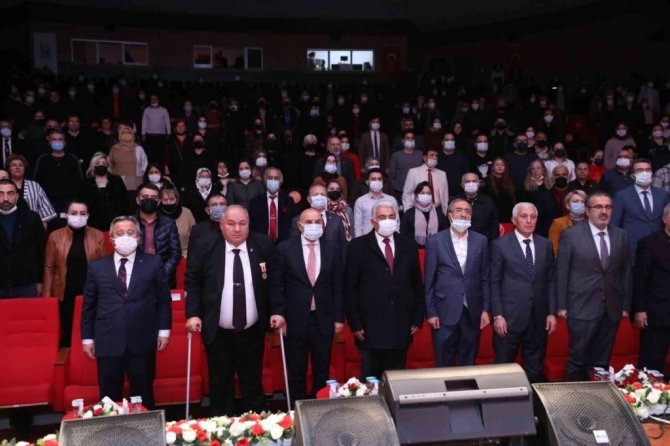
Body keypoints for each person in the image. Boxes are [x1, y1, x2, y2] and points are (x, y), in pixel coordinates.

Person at [185, 205, 284, 415]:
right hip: (218, 333)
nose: (237, 229)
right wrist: (193, 314)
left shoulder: (263, 244)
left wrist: (277, 310)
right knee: (220, 386)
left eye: (242, 223)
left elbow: (275, 281)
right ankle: (221, 428)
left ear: (249, 224)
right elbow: (192, 282)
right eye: (231, 224)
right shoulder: (206, 246)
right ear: (221, 225)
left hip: (252, 332)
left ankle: (257, 428)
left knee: (253, 384)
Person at [81, 215, 172, 408]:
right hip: (108, 341)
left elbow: (163, 300)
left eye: (130, 233)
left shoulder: (154, 263)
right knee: (108, 400)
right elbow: (89, 306)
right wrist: (87, 339)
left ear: (138, 237)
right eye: (120, 233)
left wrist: (164, 331)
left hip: (142, 340)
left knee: (143, 396)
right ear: (111, 238)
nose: (125, 237)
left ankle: (145, 428)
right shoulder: (96, 267)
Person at [345, 200, 424, 379]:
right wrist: (355, 323)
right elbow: (350, 288)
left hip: (401, 326)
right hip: (369, 329)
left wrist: (417, 318)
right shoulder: (358, 246)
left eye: (391, 216)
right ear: (373, 221)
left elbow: (417, 284)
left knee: (396, 382)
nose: (387, 220)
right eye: (382, 217)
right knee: (371, 383)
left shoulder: (408, 244)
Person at [557, 192, 632, 380]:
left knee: (601, 362)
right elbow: (561, 272)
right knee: (577, 360)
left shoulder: (621, 235)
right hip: (581, 306)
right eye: (598, 207)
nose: (604, 211)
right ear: (587, 210)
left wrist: (625, 305)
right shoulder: (571, 235)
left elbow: (626, 273)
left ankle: (598, 398)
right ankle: (574, 398)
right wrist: (561, 305)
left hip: (611, 308)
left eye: (608, 207)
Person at [272, 208, 343, 400]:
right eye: (309, 222)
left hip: (323, 319)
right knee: (296, 371)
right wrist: (280, 314)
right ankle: (297, 409)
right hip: (294, 320)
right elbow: (277, 285)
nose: (314, 225)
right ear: (300, 226)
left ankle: (319, 411)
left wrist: (338, 318)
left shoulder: (333, 249)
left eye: (317, 222)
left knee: (322, 371)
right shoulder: (285, 249)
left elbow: (338, 285)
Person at [490, 202, 557, 382]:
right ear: (514, 220)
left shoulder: (545, 244)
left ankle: (531, 400)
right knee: (503, 368)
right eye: (524, 216)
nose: (529, 221)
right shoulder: (500, 245)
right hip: (509, 317)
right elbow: (494, 282)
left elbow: (551, 280)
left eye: (533, 217)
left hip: (538, 317)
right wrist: (497, 315)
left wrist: (551, 312)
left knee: (535, 369)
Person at [424, 198, 489, 366]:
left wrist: (485, 310)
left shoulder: (481, 240)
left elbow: (485, 277)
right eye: (459, 210)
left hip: (472, 310)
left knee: (468, 361)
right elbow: (429, 281)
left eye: (467, 211)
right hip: (444, 311)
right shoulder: (435, 241)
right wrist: (431, 312)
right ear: (450, 215)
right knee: (444, 362)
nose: (463, 214)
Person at [43, 201, 106, 346]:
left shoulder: (97, 235)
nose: (78, 217)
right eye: (74, 213)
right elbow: (49, 268)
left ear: (88, 216)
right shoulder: (55, 236)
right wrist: (47, 296)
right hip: (64, 295)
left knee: (90, 334)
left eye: (82, 214)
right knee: (68, 335)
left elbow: (104, 268)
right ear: (66, 215)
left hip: (90, 295)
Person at [634, 203, 670, 372]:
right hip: (657, 314)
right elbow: (640, 279)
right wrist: (639, 309)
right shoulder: (649, 243)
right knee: (651, 365)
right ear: (664, 219)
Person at [612, 158, 670, 257]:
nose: (644, 173)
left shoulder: (663, 195)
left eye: (648, 170)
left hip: (660, 248)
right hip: (633, 247)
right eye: (640, 170)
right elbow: (615, 225)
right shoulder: (622, 196)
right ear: (632, 175)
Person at [0, 179, 46, 298]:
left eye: (10, 193)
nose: (5, 198)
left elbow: (42, 251)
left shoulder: (31, 218)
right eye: (1, 194)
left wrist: (40, 281)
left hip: (27, 285)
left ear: (17, 196)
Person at [135, 183, 181, 279]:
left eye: (153, 197)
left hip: (163, 277)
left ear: (159, 201)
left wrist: (162, 273)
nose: (149, 200)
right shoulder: (129, 223)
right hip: (136, 277)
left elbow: (175, 253)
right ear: (138, 200)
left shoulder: (169, 224)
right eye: (145, 197)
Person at [33, 130, 82, 213]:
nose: (57, 142)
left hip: (69, 202)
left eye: (60, 139)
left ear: (64, 142)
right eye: (54, 139)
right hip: (48, 203)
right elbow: (37, 181)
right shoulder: (42, 159)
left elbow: (79, 180)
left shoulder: (73, 159)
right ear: (49, 142)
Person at [81, 152, 129, 231]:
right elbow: (83, 204)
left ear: (107, 165)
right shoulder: (86, 184)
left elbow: (124, 201)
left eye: (104, 163)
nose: (101, 165)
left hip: (115, 224)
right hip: (93, 225)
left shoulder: (116, 180)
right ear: (93, 166)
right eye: (97, 163)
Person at [248, 167, 297, 243]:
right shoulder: (255, 202)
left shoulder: (288, 201)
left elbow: (292, 224)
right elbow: (253, 226)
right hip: (261, 243)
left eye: (276, 178)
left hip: (284, 243)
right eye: (270, 178)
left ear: (280, 181)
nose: (273, 180)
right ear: (265, 180)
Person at [5, 154, 56, 224]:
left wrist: (41, 230)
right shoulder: (2, 186)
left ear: (24, 168)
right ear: (8, 168)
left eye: (21, 165)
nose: (17, 167)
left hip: (31, 226)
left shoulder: (34, 186)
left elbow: (45, 215)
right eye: (14, 165)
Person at [402, 147, 450, 216]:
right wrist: (408, 212)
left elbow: (445, 196)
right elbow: (407, 194)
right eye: (431, 155)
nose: (435, 158)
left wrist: (444, 212)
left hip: (438, 211)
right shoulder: (413, 172)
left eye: (436, 156)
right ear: (424, 158)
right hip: (418, 211)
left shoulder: (442, 174)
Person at [453, 172, 499, 240]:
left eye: (474, 181)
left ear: (478, 183)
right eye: (468, 181)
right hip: (460, 240)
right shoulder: (455, 202)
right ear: (462, 184)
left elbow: (494, 225)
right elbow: (449, 223)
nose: (471, 184)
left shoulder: (488, 201)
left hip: (483, 241)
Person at [400, 182, 447, 246]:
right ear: (416, 195)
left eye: (428, 193)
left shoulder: (439, 213)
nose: (425, 195)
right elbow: (403, 234)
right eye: (422, 193)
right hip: (413, 249)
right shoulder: (409, 214)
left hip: (436, 247)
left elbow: (445, 232)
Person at [353, 168, 397, 237]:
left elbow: (396, 222)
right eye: (373, 179)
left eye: (379, 179)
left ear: (382, 181)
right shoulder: (360, 201)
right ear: (367, 182)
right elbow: (358, 226)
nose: (377, 181)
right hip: (367, 240)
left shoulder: (391, 200)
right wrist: (359, 241)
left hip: (388, 238)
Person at [108, 123, 149, 198]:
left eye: (129, 133)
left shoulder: (139, 148)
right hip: (119, 181)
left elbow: (144, 164)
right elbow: (109, 164)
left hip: (136, 181)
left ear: (133, 134)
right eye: (124, 133)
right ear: (120, 135)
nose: (126, 135)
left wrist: (141, 175)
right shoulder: (114, 149)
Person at [548, 190, 587, 256]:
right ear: (568, 206)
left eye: (583, 202)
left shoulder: (591, 222)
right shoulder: (558, 223)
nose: (580, 204)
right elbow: (553, 250)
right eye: (575, 201)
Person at [160, 185, 196, 258]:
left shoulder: (187, 212)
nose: (168, 202)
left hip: (185, 255)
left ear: (177, 199)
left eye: (171, 199)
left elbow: (195, 235)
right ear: (160, 200)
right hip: (162, 256)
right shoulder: (157, 214)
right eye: (165, 200)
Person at [535, 165, 571, 236]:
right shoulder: (544, 197)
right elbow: (539, 220)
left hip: (571, 232)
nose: (561, 177)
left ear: (569, 177)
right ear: (553, 177)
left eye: (564, 174)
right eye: (558, 175)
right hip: (549, 234)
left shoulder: (575, 196)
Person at [389, 130, 424, 203]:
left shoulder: (421, 155)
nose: (410, 140)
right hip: (400, 191)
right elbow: (392, 176)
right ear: (403, 140)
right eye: (407, 138)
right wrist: (396, 189)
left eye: (412, 138)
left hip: (418, 191)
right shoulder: (396, 156)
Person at [437, 132, 469, 196]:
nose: (450, 142)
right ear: (442, 142)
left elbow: (466, 173)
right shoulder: (437, 156)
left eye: (452, 140)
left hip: (459, 192)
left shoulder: (462, 156)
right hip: (441, 192)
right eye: (447, 140)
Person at [141, 94, 171, 163]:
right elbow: (144, 122)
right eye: (152, 99)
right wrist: (143, 134)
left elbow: (167, 122)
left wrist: (169, 133)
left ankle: (159, 168)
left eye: (155, 99)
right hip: (150, 135)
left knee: (160, 154)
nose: (153, 100)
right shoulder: (147, 110)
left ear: (158, 100)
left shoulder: (164, 110)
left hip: (161, 135)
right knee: (150, 154)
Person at [486, 157, 516, 223]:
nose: (500, 167)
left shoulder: (510, 181)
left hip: (508, 215)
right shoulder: (487, 181)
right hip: (492, 215)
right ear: (492, 167)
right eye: (497, 165)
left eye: (502, 165)